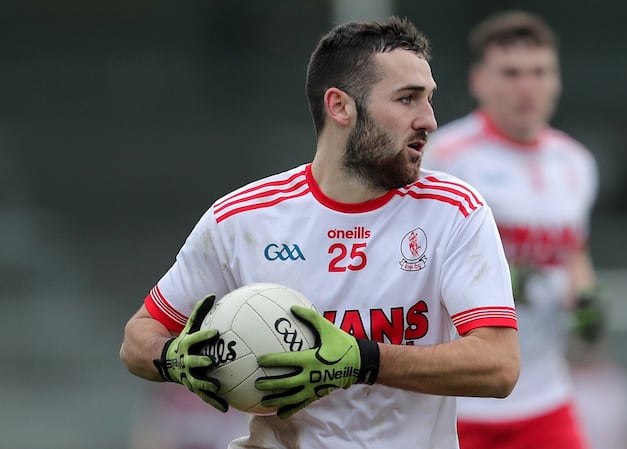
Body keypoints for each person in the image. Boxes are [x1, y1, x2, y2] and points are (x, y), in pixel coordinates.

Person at [119, 16, 520, 449]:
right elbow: (137, 339)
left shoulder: (454, 211)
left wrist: (361, 361)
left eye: (429, 99)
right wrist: (174, 361)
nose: (429, 120)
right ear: (340, 106)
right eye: (407, 99)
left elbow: (498, 366)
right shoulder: (241, 219)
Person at [423, 10, 605, 449]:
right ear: (478, 81)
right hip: (460, 398)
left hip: (544, 394)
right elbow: (409, 260)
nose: (527, 87)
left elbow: (572, 253)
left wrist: (587, 301)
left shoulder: (576, 163)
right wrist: (494, 280)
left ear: (557, 80)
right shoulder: (444, 157)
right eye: (511, 73)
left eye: (540, 72)